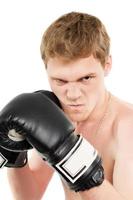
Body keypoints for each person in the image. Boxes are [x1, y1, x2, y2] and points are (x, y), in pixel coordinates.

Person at [0, 11, 133, 200]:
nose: (72, 95)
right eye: (60, 81)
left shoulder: (127, 127)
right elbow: (29, 196)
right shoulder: (58, 115)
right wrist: (14, 152)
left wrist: (72, 159)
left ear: (107, 65)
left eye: (86, 78)